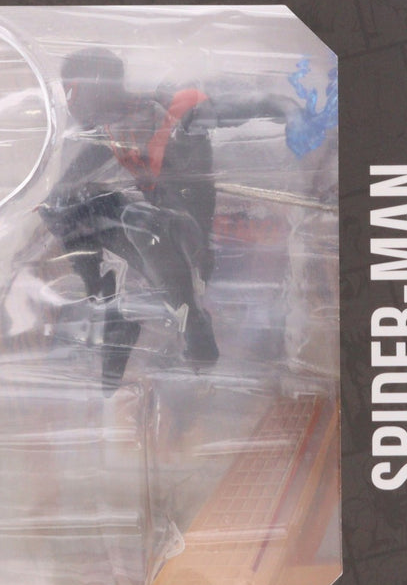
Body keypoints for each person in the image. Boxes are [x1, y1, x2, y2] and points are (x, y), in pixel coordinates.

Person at [39, 47, 305, 393]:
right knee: (64, 207)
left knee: (139, 220)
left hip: (188, 241)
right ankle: (109, 311)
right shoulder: (106, 134)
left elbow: (247, 106)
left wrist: (290, 110)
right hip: (152, 243)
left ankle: (191, 318)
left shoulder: (174, 113)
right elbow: (61, 195)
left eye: (74, 90)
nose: (70, 102)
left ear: (101, 85)